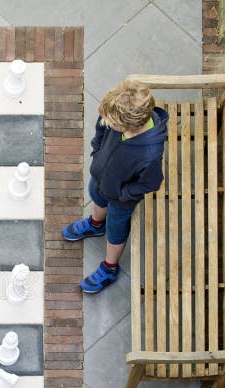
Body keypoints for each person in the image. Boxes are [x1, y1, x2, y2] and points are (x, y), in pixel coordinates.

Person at [62, 80, 168, 293]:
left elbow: (150, 182)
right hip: (101, 179)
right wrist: (97, 151)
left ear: (131, 125)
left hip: (121, 198)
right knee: (96, 196)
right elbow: (101, 127)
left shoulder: (149, 154)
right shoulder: (114, 111)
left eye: (111, 123)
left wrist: (123, 194)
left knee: (116, 229)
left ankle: (110, 267)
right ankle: (95, 224)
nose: (106, 123)